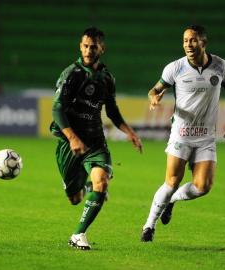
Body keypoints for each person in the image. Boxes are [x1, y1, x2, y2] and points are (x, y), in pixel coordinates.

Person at [140, 24, 225, 242]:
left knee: (203, 186)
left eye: (193, 40)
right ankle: (149, 226)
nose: (188, 44)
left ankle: (173, 200)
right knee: (171, 181)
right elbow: (154, 90)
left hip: (206, 138)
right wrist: (154, 98)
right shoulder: (175, 68)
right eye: (185, 40)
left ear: (203, 42)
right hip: (181, 134)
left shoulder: (221, 67)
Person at [50, 27, 142, 250]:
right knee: (74, 199)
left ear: (102, 48)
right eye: (85, 46)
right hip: (69, 142)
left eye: (93, 46)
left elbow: (111, 110)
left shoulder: (107, 78)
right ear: (80, 47)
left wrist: (129, 131)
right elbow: (57, 109)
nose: (89, 50)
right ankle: (83, 184)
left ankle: (78, 234)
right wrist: (72, 138)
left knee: (101, 182)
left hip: (94, 141)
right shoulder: (71, 74)